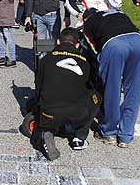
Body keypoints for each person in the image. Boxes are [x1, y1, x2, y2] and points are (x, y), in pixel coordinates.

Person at [30, 28, 101, 160]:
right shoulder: (85, 62)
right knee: (96, 97)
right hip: (76, 113)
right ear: (77, 45)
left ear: (58, 42)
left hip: (49, 113)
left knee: (49, 112)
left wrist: (38, 108)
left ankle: (48, 131)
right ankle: (79, 138)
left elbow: (38, 86)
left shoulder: (46, 60)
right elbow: (90, 85)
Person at [83, 8, 140, 148]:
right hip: (137, 41)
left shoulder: (88, 24)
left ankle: (109, 131)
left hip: (114, 45)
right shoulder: (117, 13)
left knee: (112, 89)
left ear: (85, 18)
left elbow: (93, 52)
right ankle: (126, 135)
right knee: (133, 90)